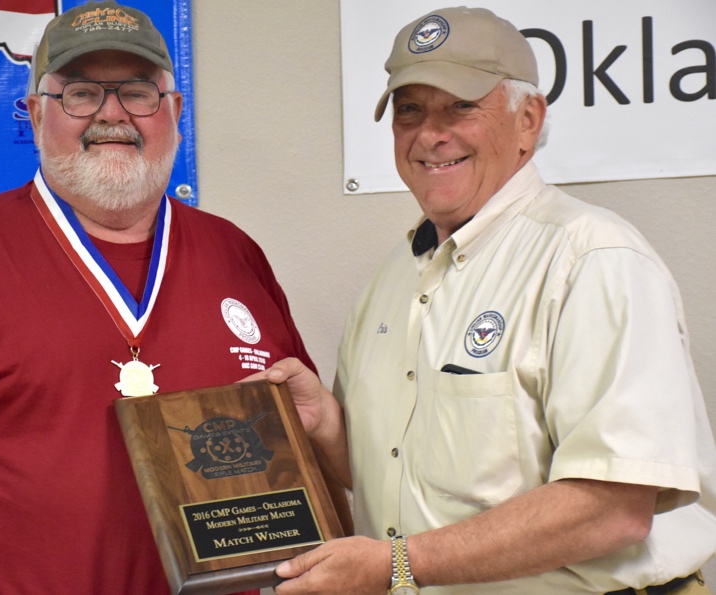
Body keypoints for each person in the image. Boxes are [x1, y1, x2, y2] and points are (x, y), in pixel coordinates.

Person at [0, 2, 315, 593]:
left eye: (138, 91)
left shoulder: (236, 255)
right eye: (80, 93)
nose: (113, 114)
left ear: (174, 111)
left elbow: (302, 441)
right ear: (34, 115)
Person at [249, 6, 716, 594]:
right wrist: (327, 425)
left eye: (460, 106)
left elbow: (614, 508)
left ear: (528, 120)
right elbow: (397, 475)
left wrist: (395, 566)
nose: (428, 134)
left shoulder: (592, 260)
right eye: (409, 110)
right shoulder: (394, 277)